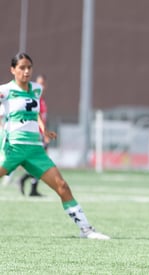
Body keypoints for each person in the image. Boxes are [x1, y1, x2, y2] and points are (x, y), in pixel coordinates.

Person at [0, 53, 110, 240]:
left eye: (29, 67)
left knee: (62, 186)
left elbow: (35, 114)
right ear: (13, 70)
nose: (26, 71)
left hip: (35, 149)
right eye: (22, 67)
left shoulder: (36, 89)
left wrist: (44, 130)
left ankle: (86, 230)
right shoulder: (5, 90)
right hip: (13, 148)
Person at [18, 74, 49, 196]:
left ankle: (32, 188)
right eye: (39, 83)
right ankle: (25, 181)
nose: (41, 86)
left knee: (41, 164)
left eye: (43, 83)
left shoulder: (42, 100)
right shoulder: (33, 99)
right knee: (41, 163)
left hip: (40, 136)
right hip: (36, 136)